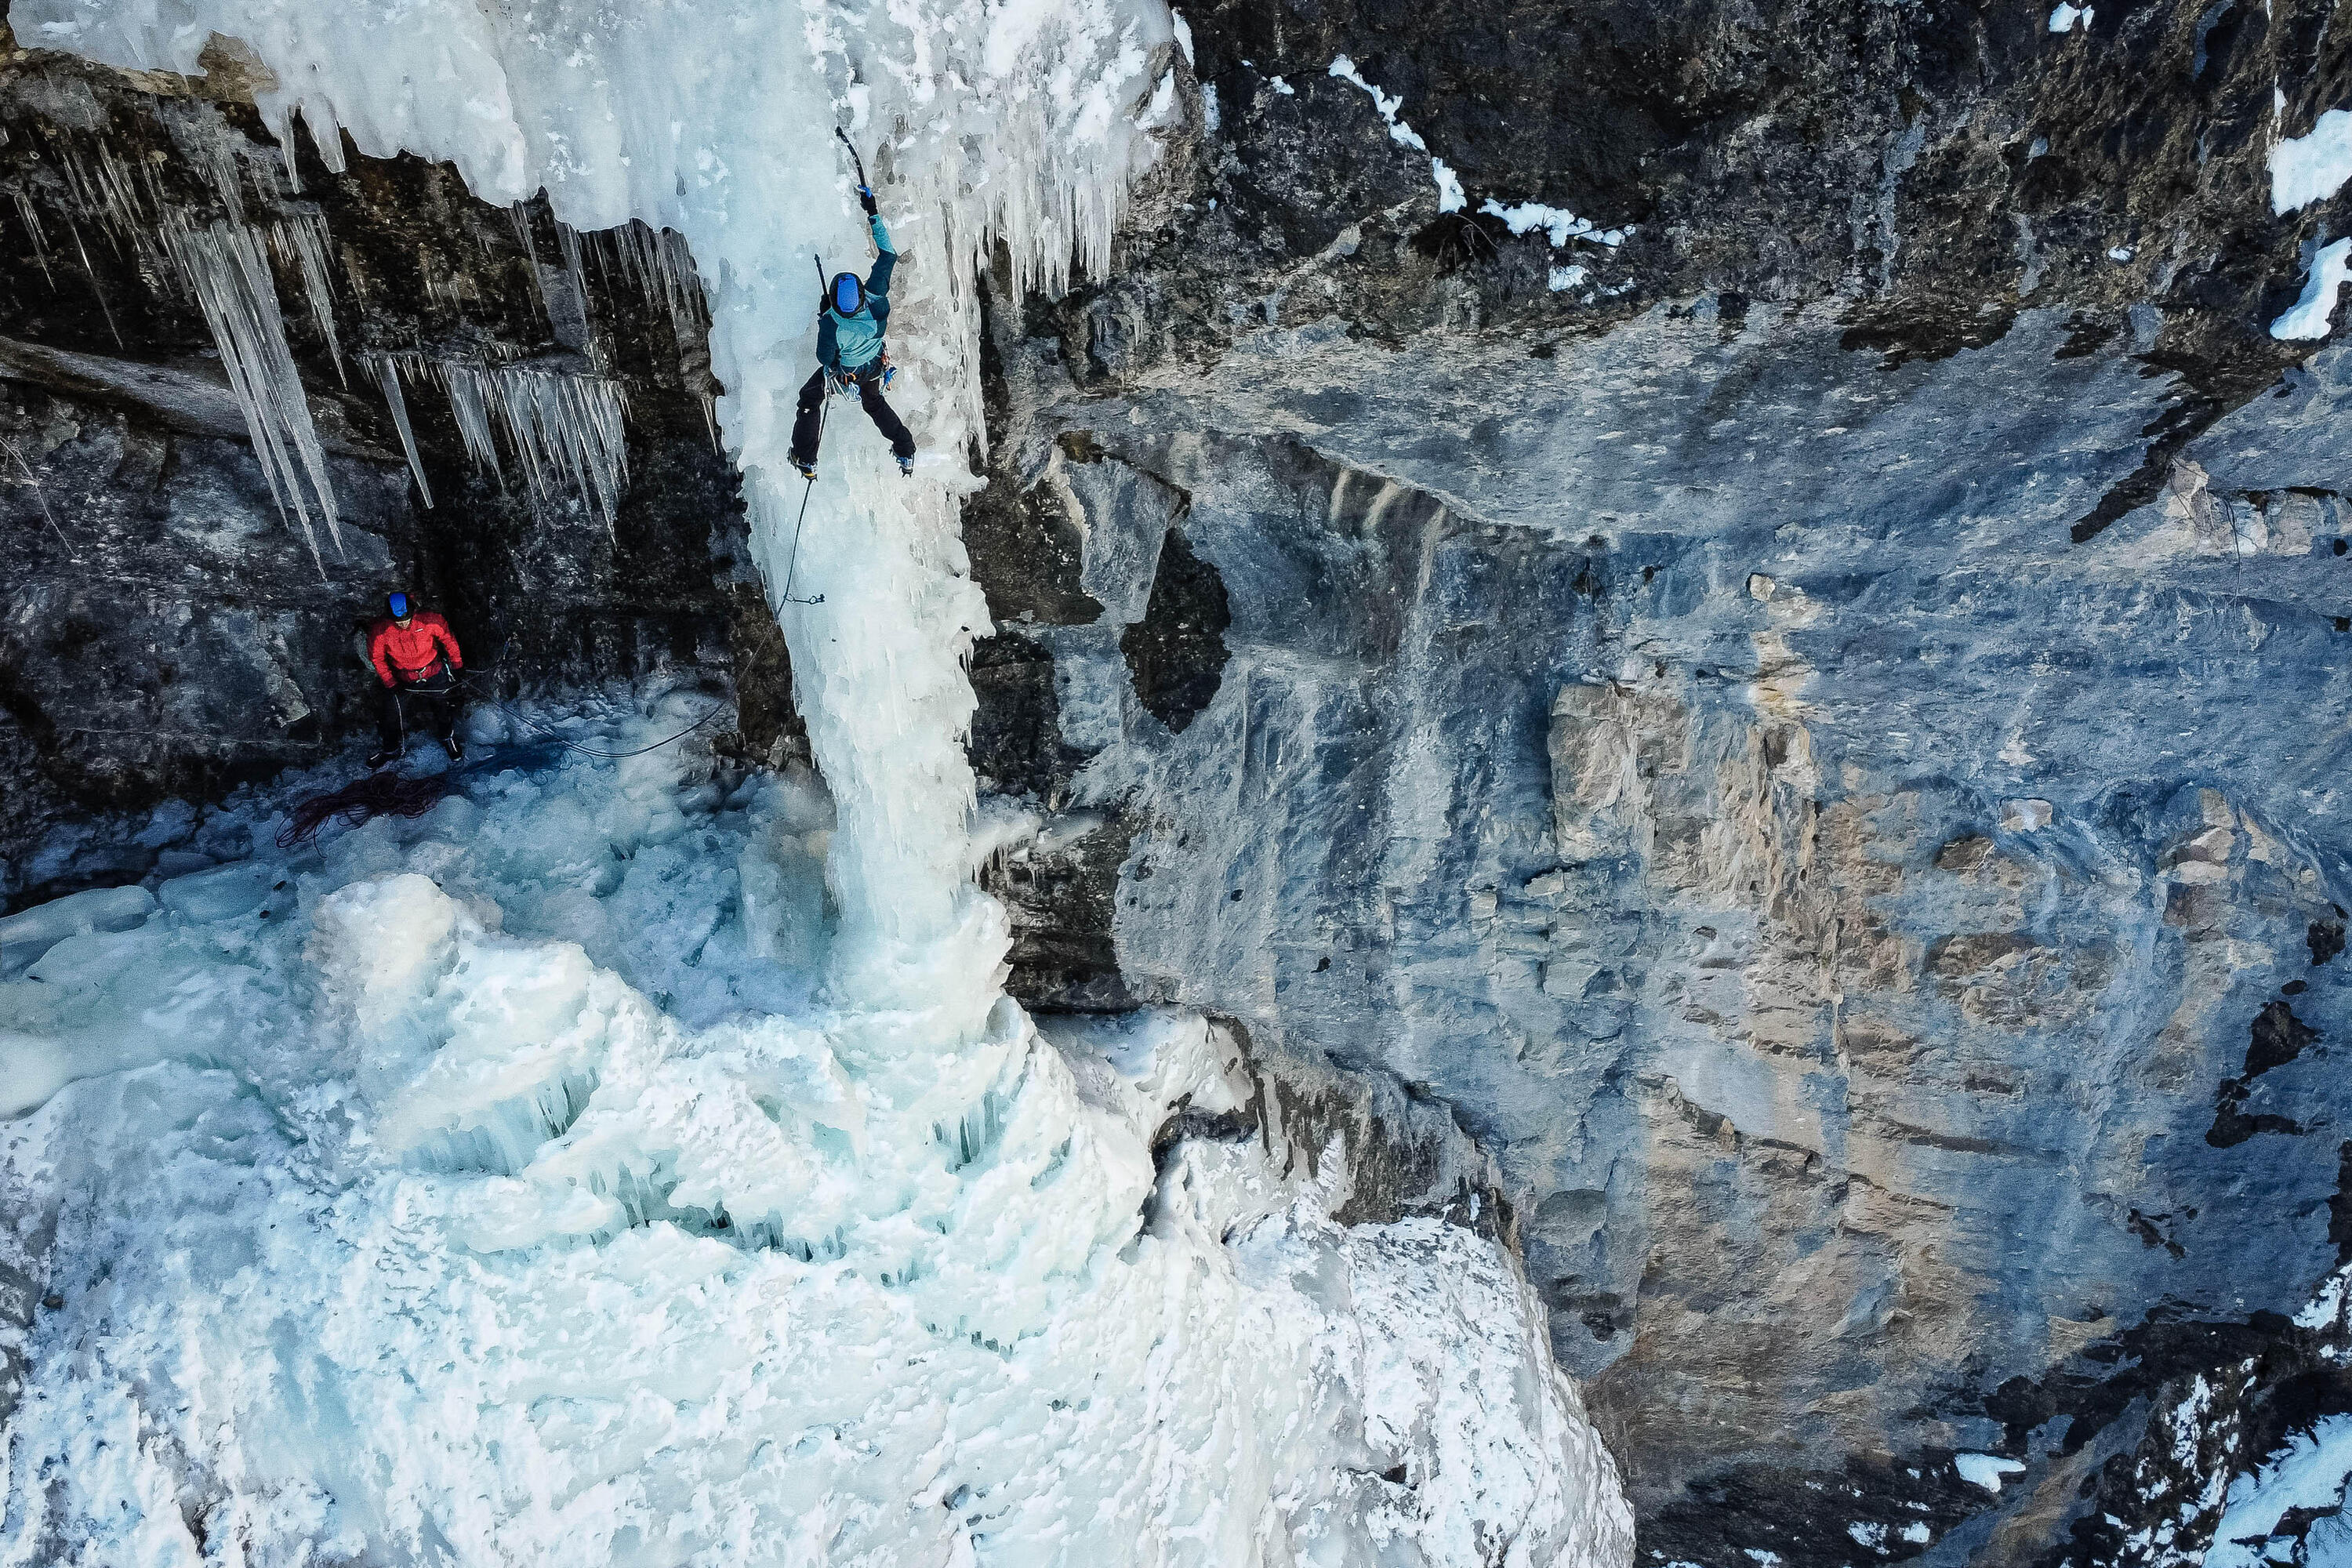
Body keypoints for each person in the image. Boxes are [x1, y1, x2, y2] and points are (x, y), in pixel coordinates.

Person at [789, 183, 917, 479]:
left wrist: (825, 315)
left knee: (810, 398)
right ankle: (905, 448)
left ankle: (805, 457)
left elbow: (825, 358)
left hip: (849, 370)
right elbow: (888, 254)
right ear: (861, 291)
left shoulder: (833, 323)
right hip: (873, 367)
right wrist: (872, 211)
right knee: (874, 403)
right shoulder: (876, 299)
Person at [365, 591, 465, 768]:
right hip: (403, 677)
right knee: (391, 714)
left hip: (433, 670)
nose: (403, 624)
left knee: (444, 707)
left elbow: (448, 640)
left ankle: (447, 738)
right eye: (398, 621)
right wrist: (391, 683)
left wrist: (457, 665)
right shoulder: (381, 632)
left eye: (406, 619)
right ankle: (390, 749)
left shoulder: (430, 621)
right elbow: (377, 658)